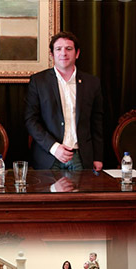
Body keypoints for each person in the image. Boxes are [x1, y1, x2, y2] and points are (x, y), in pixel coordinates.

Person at [25, 32, 104, 172]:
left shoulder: (92, 83)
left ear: (77, 53)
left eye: (69, 49)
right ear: (52, 54)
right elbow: (31, 121)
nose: (63, 53)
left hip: (81, 157)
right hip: (48, 156)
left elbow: (97, 122)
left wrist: (98, 157)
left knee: (80, 194)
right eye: (58, 49)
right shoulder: (38, 82)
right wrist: (54, 148)